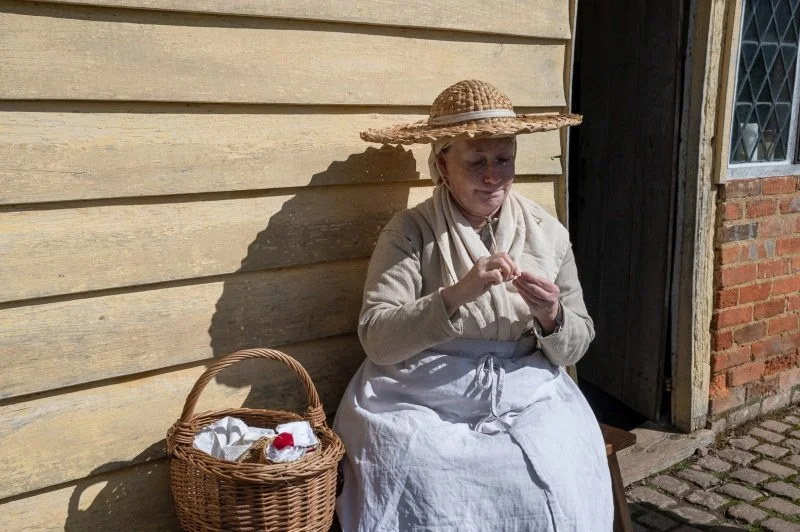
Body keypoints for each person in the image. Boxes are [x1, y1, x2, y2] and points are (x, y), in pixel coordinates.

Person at [333, 80, 613, 531]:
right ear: (443, 164)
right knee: (425, 473)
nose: (492, 176)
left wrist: (551, 317)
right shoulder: (409, 232)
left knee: (558, 469)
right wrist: (455, 295)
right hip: (418, 390)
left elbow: (575, 344)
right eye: (476, 162)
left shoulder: (547, 233)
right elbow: (377, 339)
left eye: (503, 160)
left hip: (526, 389)